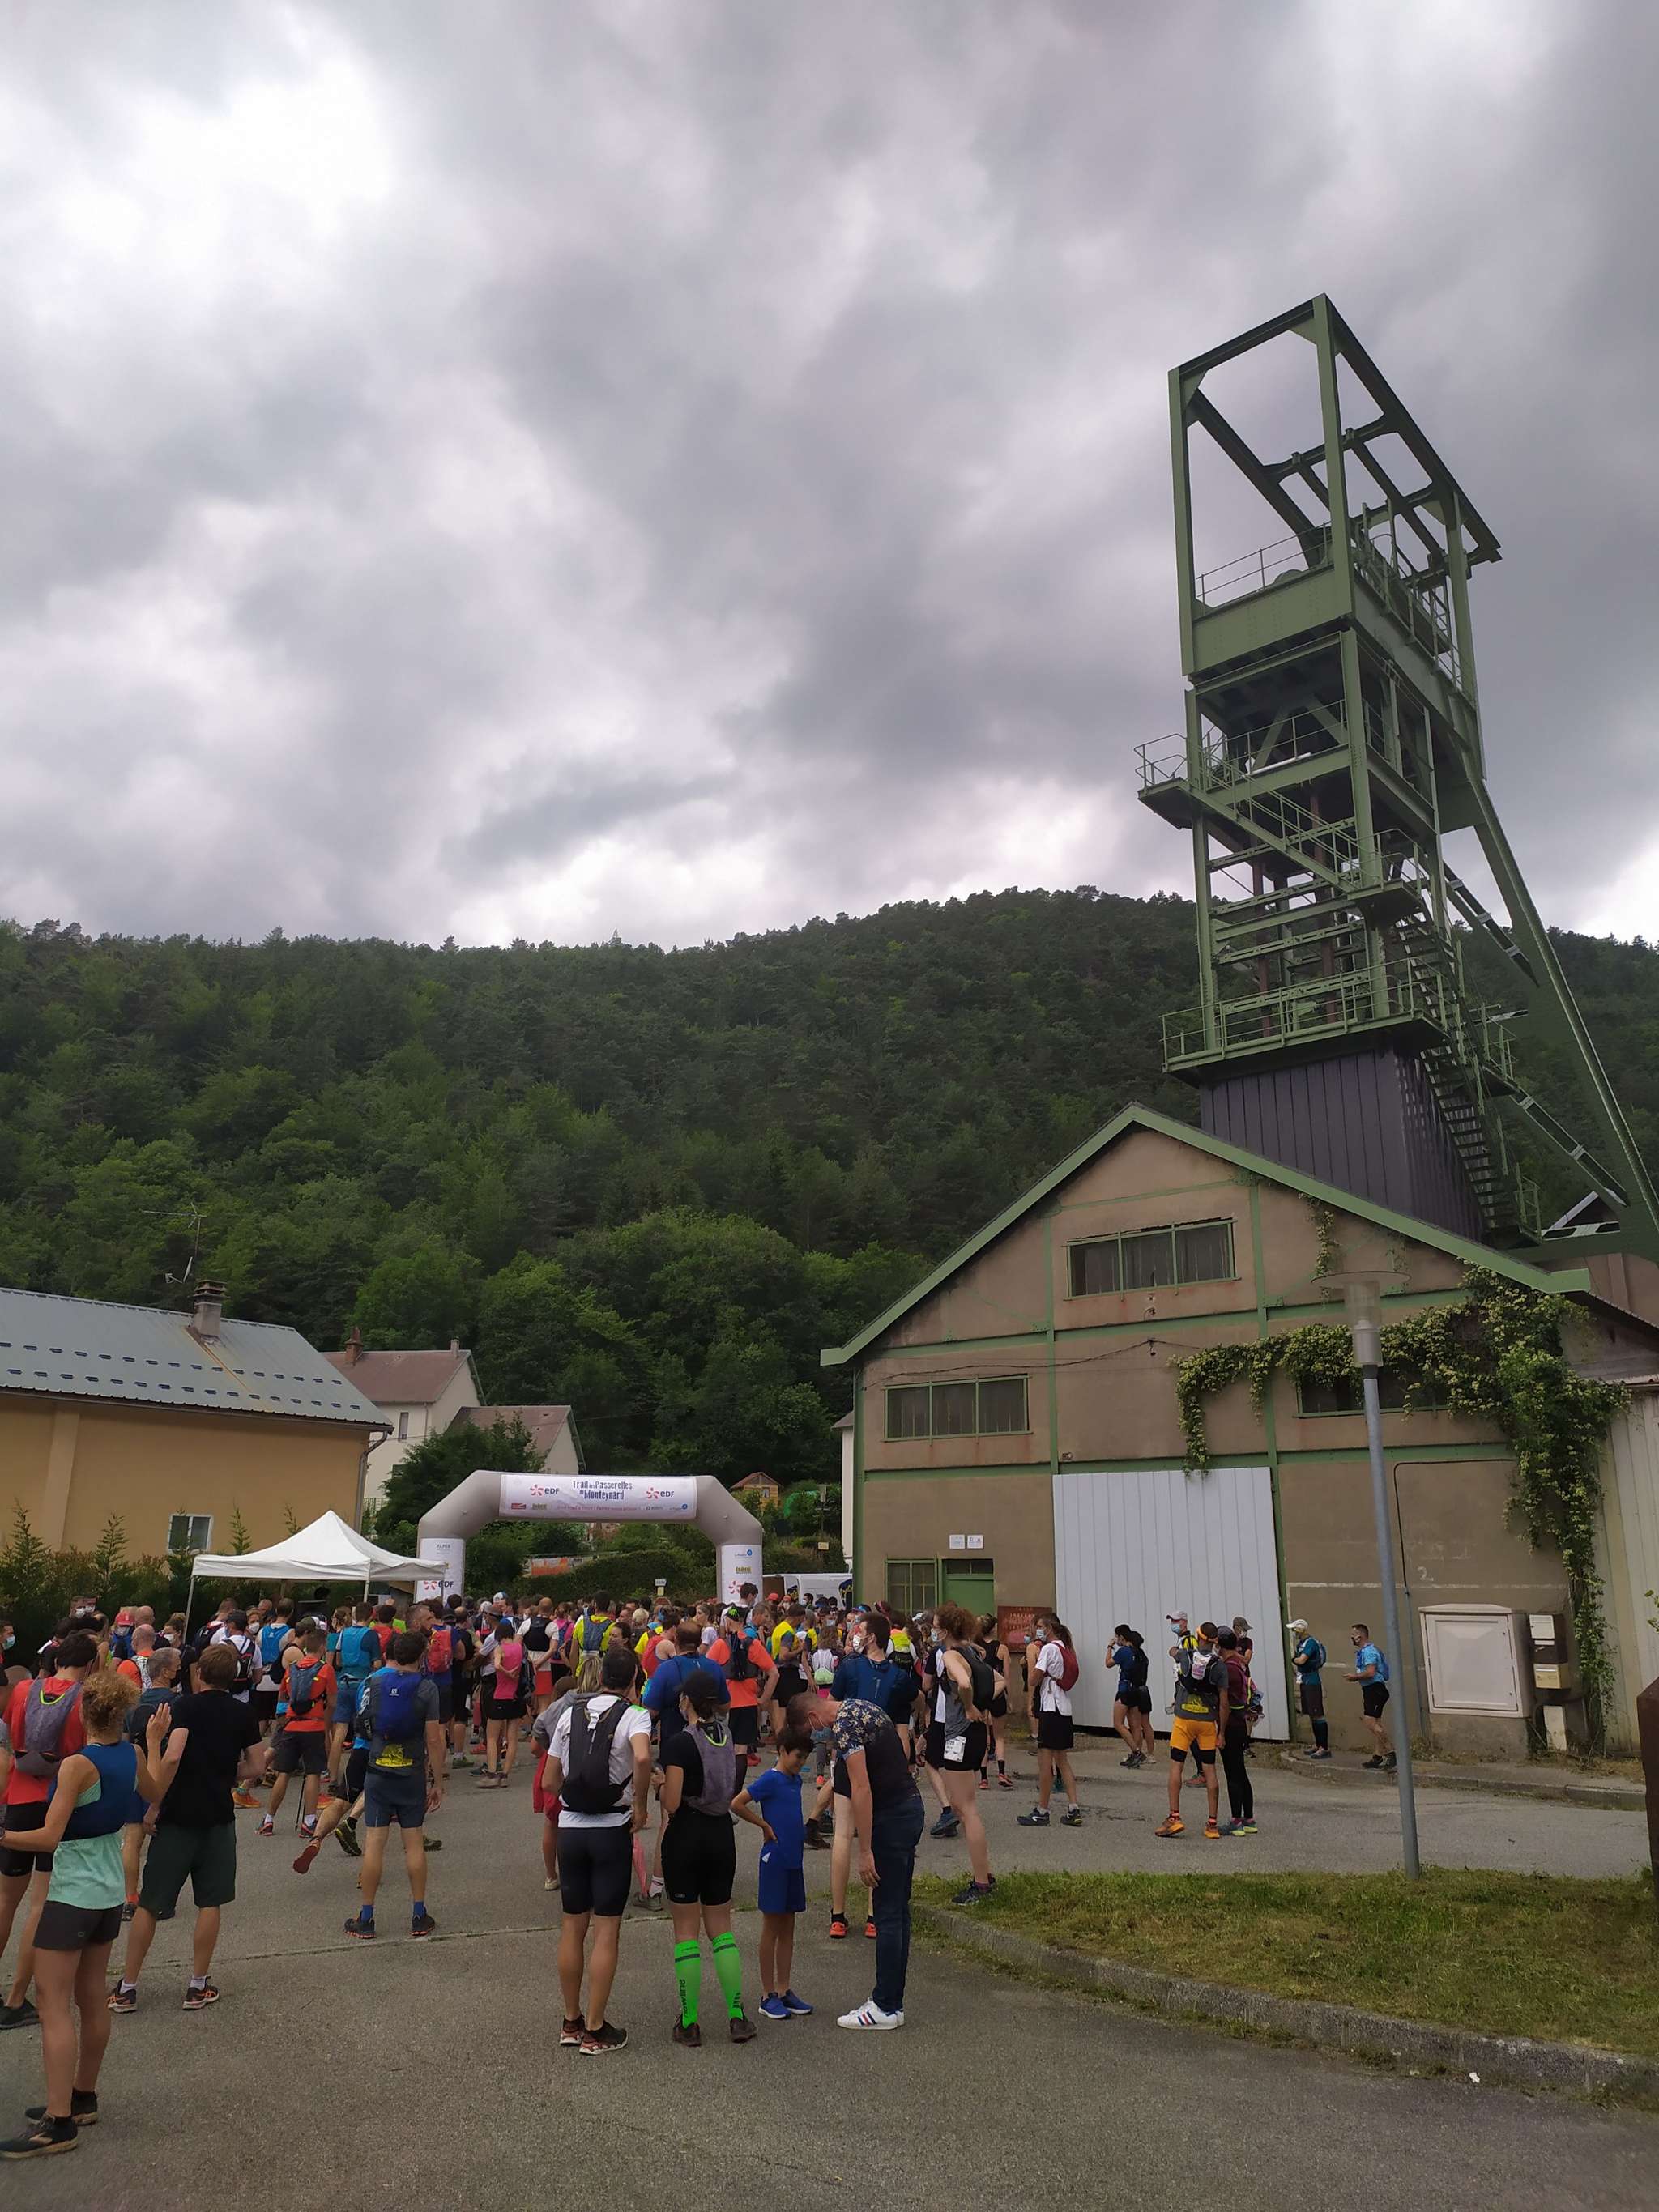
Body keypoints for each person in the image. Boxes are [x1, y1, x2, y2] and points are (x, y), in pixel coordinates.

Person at [0, 1671, 171, 2159]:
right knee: (91, 1995)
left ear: (81, 1712)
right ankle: (82, 2096)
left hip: (72, 1891)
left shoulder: (78, 1764)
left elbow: (49, 1836)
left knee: (52, 2003)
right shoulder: (130, 1754)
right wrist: (153, 1742)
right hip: (108, 1890)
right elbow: (155, 1791)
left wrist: (4, 1836)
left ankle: (58, 2123)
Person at [109, 1639, 269, 2014]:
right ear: (234, 1676)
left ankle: (128, 1987)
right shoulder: (243, 1714)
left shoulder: (183, 1707)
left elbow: (174, 1756)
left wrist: (154, 1804)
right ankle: (197, 1984)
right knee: (210, 1902)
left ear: (199, 1674)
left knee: (150, 1903)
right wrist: (224, 1773)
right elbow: (257, 1766)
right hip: (218, 1818)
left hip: (178, 1816)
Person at [787, 1686, 923, 2031]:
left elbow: (861, 1788)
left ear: (813, 1717)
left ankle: (885, 2005)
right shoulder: (862, 1707)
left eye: (810, 1731)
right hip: (909, 1807)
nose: (817, 1737)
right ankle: (892, 2000)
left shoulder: (845, 1726)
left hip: (891, 1817)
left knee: (888, 1912)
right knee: (898, 1911)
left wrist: (865, 1851)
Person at [544, 1642, 653, 2056]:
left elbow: (549, 1780)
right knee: (607, 1929)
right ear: (634, 1679)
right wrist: (639, 1803)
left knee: (573, 1925)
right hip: (611, 1828)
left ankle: (570, 2020)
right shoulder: (635, 1715)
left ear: (601, 1675)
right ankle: (595, 2027)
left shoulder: (569, 1714)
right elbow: (642, 1758)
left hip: (571, 1828)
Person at [0, 1627, 98, 2034]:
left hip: (19, 1798)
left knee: (5, 1900)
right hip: (57, 1802)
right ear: (89, 1666)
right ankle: (15, 2000)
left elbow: (11, 1735)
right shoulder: (86, 1700)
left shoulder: (24, 1689)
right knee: (39, 1904)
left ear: (56, 1660)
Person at [659, 1672, 761, 2047]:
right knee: (721, 1927)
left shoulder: (679, 1744)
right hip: (721, 1834)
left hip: (686, 1834)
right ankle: (737, 2014)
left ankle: (690, 2021)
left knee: (686, 1931)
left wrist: (660, 1786)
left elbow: (672, 1802)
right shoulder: (726, 1736)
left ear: (687, 1700)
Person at [343, 1631, 444, 1941]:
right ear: (421, 1656)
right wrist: (438, 1781)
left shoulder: (373, 1683)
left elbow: (362, 1725)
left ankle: (366, 1916)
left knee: (375, 1842)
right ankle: (418, 1914)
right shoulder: (427, 1688)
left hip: (378, 1771)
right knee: (413, 1843)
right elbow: (434, 1739)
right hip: (411, 1773)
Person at [735, 1725, 822, 2022]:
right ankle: (767, 1993)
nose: (801, 1762)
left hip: (794, 1860)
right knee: (771, 1925)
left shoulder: (795, 1780)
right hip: (774, 1860)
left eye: (805, 1757)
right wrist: (763, 1825)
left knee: (789, 1925)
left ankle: (785, 1989)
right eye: (798, 1756)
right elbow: (737, 1803)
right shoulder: (770, 1779)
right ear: (782, 1751)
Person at [923, 1605, 996, 1903]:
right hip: (976, 1733)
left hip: (959, 1734)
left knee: (966, 1809)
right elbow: (998, 1681)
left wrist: (968, 1706)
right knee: (963, 1805)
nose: (932, 1631)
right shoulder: (974, 1653)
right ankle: (984, 1875)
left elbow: (964, 1683)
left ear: (946, 1630)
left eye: (935, 1626)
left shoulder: (951, 1656)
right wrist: (980, 1706)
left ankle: (981, 1883)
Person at [120, 1647, 181, 1919]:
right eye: (178, 1665)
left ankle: (129, 1897)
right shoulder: (177, 1703)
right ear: (166, 1672)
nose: (181, 1669)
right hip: (167, 1775)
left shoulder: (133, 1704)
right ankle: (156, 1896)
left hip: (137, 1772)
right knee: (165, 1837)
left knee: (132, 1838)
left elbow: (124, 1741)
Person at [1156, 1621, 1227, 1841]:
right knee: (1210, 1772)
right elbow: (1224, 1704)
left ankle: (1174, 1817)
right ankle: (1212, 1824)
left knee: (1176, 1767)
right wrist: (1221, 1733)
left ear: (1199, 1637)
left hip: (1183, 1720)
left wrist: (1175, 1651)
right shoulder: (1219, 1665)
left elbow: (1172, 1652)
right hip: (1206, 1723)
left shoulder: (1186, 1655)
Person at [261, 1626, 334, 1839]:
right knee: (313, 1773)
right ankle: (309, 1822)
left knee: (283, 1773)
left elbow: (283, 1697)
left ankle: (268, 1819)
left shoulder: (292, 1669)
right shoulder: (325, 1669)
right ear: (322, 1647)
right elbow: (332, 1702)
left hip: (292, 1725)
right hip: (314, 1726)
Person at [1018, 1615, 1082, 1830]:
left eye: (1039, 1626)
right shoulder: (1065, 1648)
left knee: (1045, 1763)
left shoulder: (1047, 1649)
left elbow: (1033, 1679)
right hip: (1064, 1708)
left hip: (1050, 1708)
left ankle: (1042, 1810)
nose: (1037, 1630)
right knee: (1062, 1760)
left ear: (1049, 1628)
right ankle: (1073, 1808)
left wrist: (1034, 1662)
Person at [707, 1609, 776, 1775]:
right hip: (748, 1703)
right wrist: (763, 1699)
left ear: (728, 1622)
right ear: (743, 1622)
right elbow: (774, 1673)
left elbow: (706, 1671)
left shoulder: (721, 1644)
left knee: (723, 1748)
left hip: (725, 1704)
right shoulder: (754, 1645)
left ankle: (724, 1786)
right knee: (741, 1750)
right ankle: (737, 1789)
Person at [1215, 1628, 1256, 1835]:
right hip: (1240, 1723)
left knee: (1232, 1773)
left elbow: (1225, 1705)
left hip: (1230, 1724)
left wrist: (1220, 1733)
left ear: (1220, 1646)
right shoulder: (1239, 1665)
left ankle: (1236, 1821)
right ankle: (1249, 1818)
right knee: (1240, 1772)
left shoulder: (1227, 1669)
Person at [478, 1631, 528, 1787]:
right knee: (512, 1738)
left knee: (492, 1737)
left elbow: (496, 1665)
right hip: (515, 1697)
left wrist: (507, 1673)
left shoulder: (499, 1649)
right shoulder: (519, 1648)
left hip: (500, 1696)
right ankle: (505, 1775)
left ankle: (492, 1774)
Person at [1347, 1624, 1395, 1770]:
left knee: (1370, 1722)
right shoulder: (1365, 1651)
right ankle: (1378, 1757)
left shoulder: (1369, 1652)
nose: (1351, 1637)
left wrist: (1354, 1677)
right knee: (1377, 1724)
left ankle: (1391, 1752)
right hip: (1371, 1690)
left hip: (1375, 1690)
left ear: (1360, 1636)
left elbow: (1370, 1672)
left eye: (1353, 1635)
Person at [975, 1613, 1012, 1789]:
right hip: (998, 1694)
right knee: (999, 1737)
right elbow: (1007, 1676)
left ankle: (983, 1778)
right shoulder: (1002, 1648)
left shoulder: (975, 1649)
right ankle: (1001, 1772)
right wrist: (1009, 1698)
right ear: (993, 1629)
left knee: (983, 1738)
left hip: (981, 1694)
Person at [1110, 1626, 1154, 1767]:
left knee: (1118, 1724)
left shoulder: (1124, 1651)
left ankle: (1136, 1752)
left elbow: (1108, 1663)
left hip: (1125, 1690)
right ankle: (1142, 1753)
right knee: (1137, 1725)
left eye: (1117, 1637)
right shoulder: (1141, 1654)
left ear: (1122, 1637)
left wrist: (1109, 1647)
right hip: (1139, 1690)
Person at [1287, 1618, 1331, 1758]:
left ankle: (1324, 1747)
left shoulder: (1310, 1643)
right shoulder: (1301, 1644)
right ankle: (1317, 1744)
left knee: (1317, 1714)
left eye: (1295, 1630)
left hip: (1312, 1681)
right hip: (1305, 1680)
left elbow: (1301, 1660)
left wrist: (1294, 1659)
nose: (1294, 1633)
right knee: (1312, 1714)